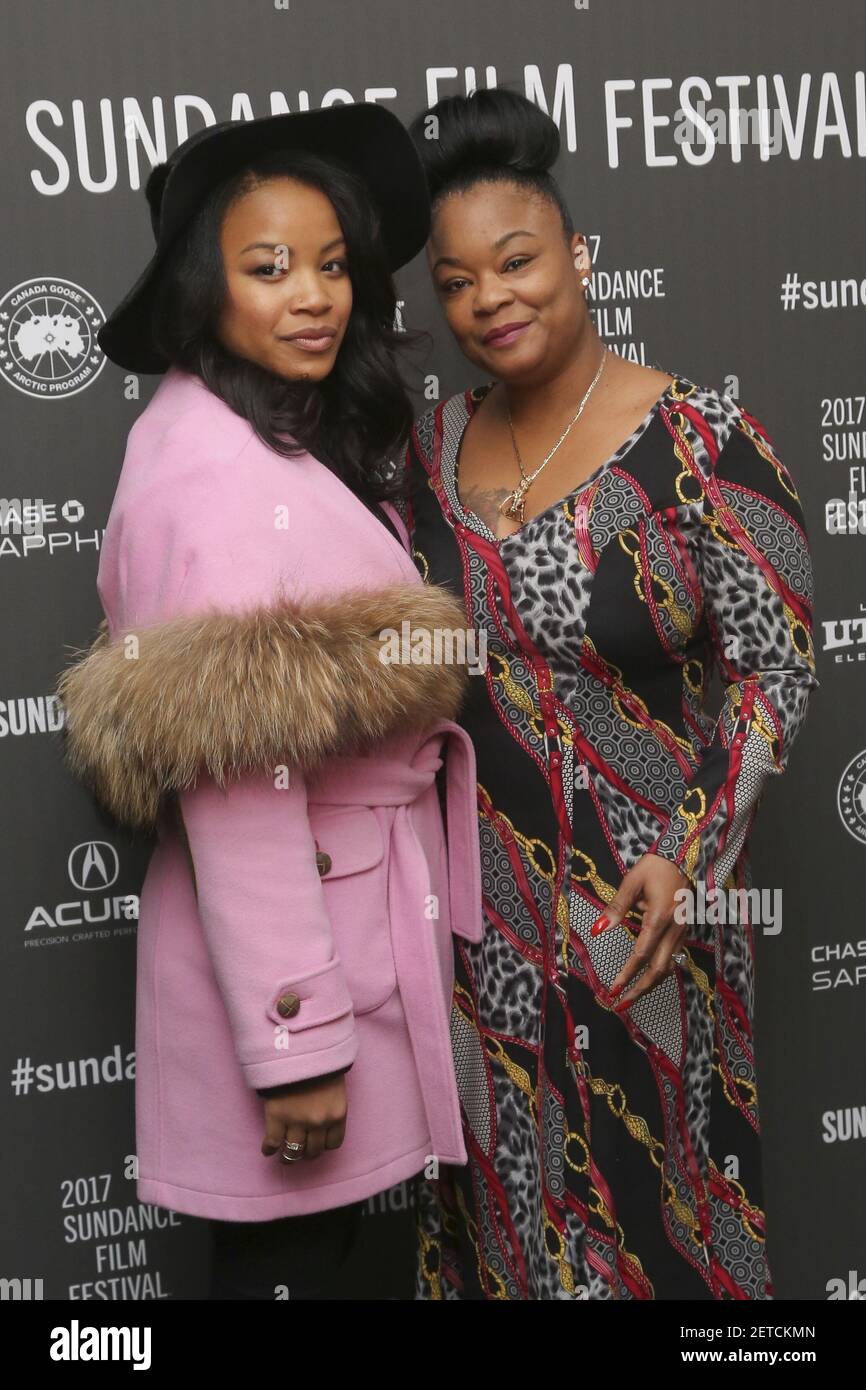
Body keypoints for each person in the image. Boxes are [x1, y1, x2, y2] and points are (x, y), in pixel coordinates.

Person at [55, 105, 483, 1301]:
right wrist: (293, 1040)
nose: (314, 296)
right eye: (269, 267)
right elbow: (238, 782)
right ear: (207, 288)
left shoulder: (263, 432)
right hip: (296, 964)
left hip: (343, 932)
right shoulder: (209, 463)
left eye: (334, 264)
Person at [398, 87, 819, 1300]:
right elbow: (401, 654)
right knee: (503, 1222)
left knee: (658, 1223)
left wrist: (690, 856)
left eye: (518, 260)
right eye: (458, 281)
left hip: (646, 924)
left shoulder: (701, 440)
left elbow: (769, 670)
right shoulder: (425, 454)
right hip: (481, 930)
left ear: (578, 254)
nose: (491, 299)